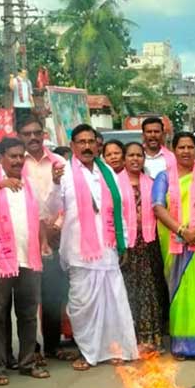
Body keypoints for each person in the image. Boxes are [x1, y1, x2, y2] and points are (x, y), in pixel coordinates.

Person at [48, 124, 138, 369]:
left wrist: (124, 243)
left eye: (91, 141)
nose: (87, 146)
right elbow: (51, 208)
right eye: (81, 141)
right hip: (79, 250)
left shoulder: (107, 171)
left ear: (97, 145)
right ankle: (87, 352)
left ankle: (115, 349)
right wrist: (55, 185)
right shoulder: (63, 172)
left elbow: (119, 210)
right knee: (81, 305)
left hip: (108, 248)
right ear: (73, 145)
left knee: (113, 302)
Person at [0, 137, 48, 385]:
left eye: (21, 156)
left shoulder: (29, 183)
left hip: (28, 258)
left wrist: (43, 243)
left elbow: (38, 218)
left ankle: (27, 362)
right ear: (2, 156)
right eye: (13, 156)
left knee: (27, 313)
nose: (18, 161)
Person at [153, 132, 195, 359]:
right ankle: (181, 345)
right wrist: (182, 231)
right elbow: (158, 207)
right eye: (181, 147)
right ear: (173, 149)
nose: (186, 151)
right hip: (174, 242)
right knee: (178, 292)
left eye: (190, 147)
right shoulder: (163, 177)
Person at [19, 116, 72, 363]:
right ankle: (31, 349)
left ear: (44, 134)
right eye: (27, 133)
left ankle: (51, 346)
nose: (32, 137)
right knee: (28, 296)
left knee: (52, 294)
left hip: (55, 235)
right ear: (19, 136)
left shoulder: (60, 162)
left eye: (37, 132)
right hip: (25, 237)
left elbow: (69, 198)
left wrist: (57, 226)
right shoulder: (17, 164)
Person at [118, 142, 168, 349]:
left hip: (149, 243)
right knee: (128, 291)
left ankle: (151, 339)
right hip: (126, 245)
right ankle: (130, 340)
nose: (135, 159)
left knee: (150, 290)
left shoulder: (153, 182)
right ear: (124, 159)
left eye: (139, 155)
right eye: (131, 155)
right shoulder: (114, 182)